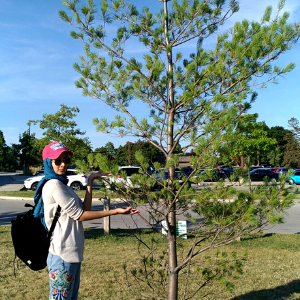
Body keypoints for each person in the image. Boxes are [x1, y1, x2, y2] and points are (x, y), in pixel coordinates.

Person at [33, 141, 139, 300]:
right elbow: (79, 215)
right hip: (62, 255)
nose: (63, 165)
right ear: (48, 162)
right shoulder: (54, 185)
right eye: (58, 161)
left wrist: (89, 182)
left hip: (72, 253)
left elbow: (85, 210)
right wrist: (115, 211)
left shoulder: (63, 184)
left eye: (66, 160)